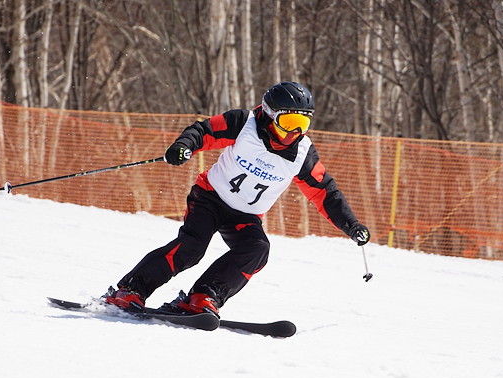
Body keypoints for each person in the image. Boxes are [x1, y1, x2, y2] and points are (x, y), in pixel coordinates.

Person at [104, 81, 370, 317]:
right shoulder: (244, 124)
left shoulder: (303, 154)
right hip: (210, 197)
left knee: (257, 250)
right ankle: (131, 289)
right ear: (269, 114)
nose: (293, 133)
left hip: (245, 216)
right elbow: (204, 131)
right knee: (192, 247)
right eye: (288, 123)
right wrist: (184, 146)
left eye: (302, 124)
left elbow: (326, 192)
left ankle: (202, 297)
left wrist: (351, 225)